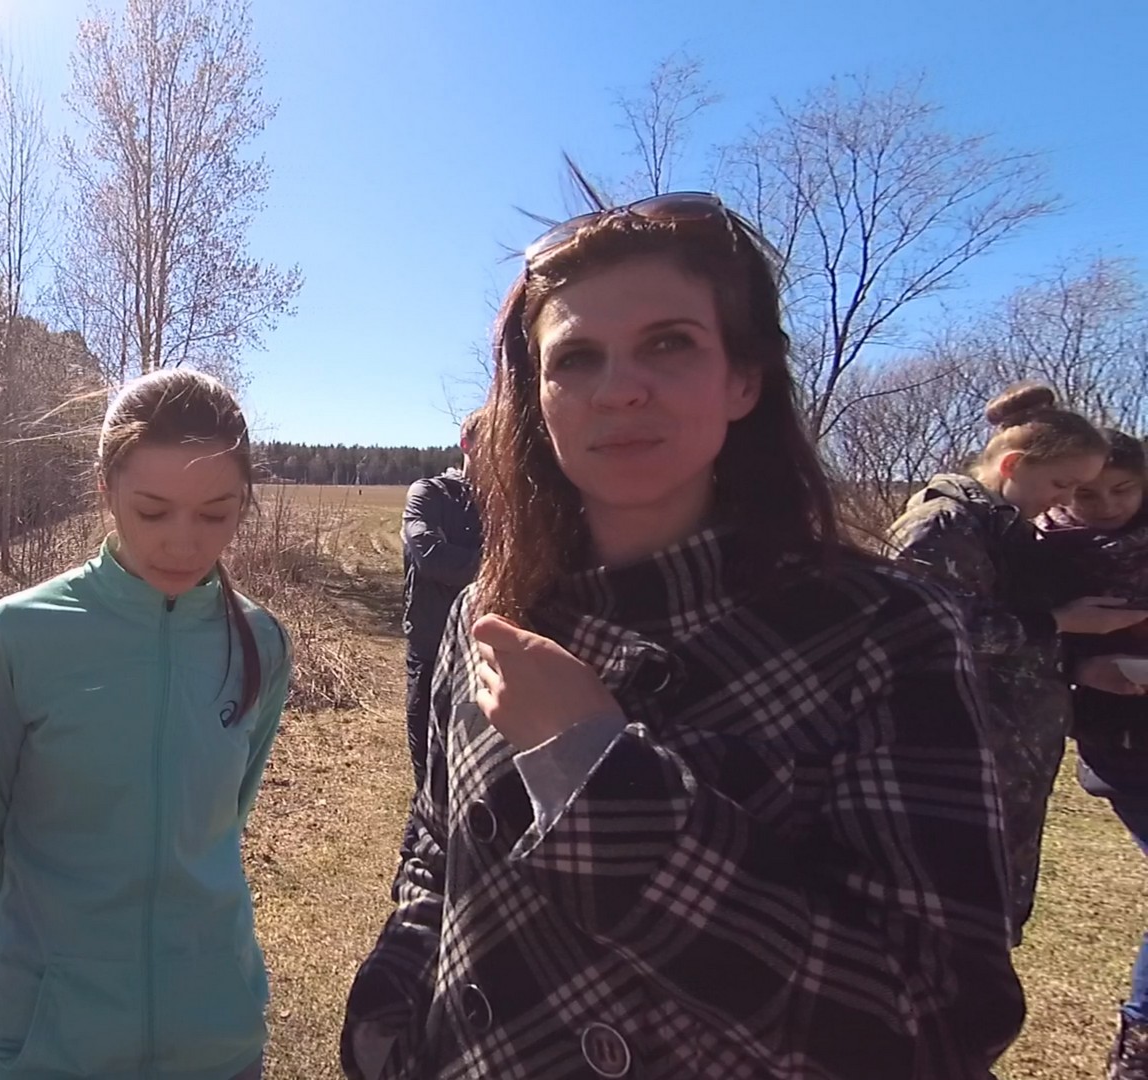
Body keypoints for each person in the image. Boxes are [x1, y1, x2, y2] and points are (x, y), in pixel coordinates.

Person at [340, 191, 1022, 1078]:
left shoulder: (883, 632)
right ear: (537, 401)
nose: (620, 388)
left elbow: (936, 1025)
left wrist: (598, 776)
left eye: (669, 344)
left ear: (745, 379)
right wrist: (386, 1015)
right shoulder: (492, 610)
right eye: (575, 358)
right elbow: (436, 849)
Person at [0, 368, 291, 1080]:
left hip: (212, 1032)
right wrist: (53, 961)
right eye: (153, 512)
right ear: (105, 491)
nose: (183, 543)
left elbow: (225, 819)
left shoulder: (260, 643)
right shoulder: (21, 634)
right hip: (51, 1039)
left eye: (215, 515)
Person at [890, 385, 1145, 941]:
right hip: (959, 759)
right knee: (954, 919)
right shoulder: (942, 525)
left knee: (994, 916)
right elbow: (919, 634)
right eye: (1061, 485)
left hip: (1013, 758)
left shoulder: (1006, 529)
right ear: (1012, 465)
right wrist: (1058, 622)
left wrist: (1078, 663)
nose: (1065, 501)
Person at [1036, 428, 1148, 1077]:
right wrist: (1081, 671)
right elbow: (1018, 638)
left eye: (1123, 490)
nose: (1106, 506)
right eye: (1088, 494)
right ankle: (1140, 1042)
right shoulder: (1043, 552)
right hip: (1121, 744)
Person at [401, 411, 486, 789]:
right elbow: (432, 557)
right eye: (489, 443)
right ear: (465, 444)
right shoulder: (430, 493)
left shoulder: (508, 503)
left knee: (478, 753)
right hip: (431, 640)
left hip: (485, 646)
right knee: (426, 743)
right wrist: (499, 567)